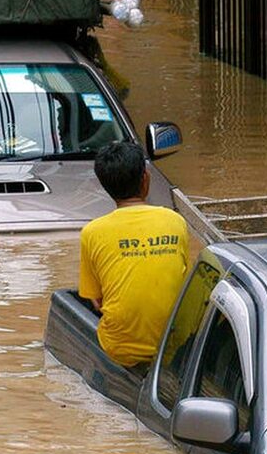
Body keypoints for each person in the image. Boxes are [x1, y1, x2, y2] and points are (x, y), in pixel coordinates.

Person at [79, 141, 189, 370]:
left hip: (119, 349)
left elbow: (97, 301)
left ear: (104, 185)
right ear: (145, 179)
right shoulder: (174, 221)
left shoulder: (92, 232)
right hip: (174, 346)